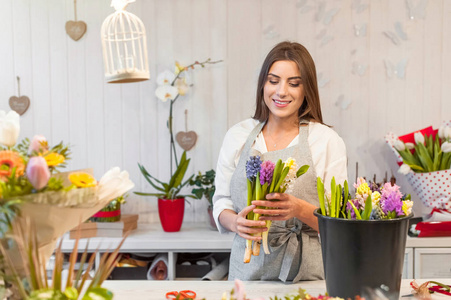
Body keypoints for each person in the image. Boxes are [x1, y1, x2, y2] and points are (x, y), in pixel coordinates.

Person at [212, 41, 348, 283]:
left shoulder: (326, 141)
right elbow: (222, 201)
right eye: (273, 81)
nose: (281, 91)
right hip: (247, 272)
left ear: (307, 89)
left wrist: (299, 210)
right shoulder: (238, 135)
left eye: (293, 83)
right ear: (263, 84)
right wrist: (236, 223)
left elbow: (341, 224)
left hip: (308, 274)